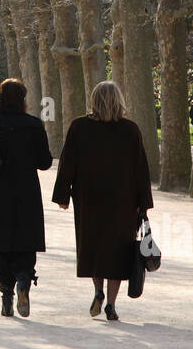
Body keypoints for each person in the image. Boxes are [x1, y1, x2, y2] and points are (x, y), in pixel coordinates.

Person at [52, 81, 153, 321]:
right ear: (119, 100)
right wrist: (143, 202)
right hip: (123, 199)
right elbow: (141, 169)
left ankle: (97, 291)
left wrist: (63, 196)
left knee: (93, 246)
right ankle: (111, 303)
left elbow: (68, 163)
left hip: (88, 197)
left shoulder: (79, 127)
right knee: (118, 250)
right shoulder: (130, 130)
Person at [0, 79, 53, 317]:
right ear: (23, 99)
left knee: (1, 242)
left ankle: (7, 295)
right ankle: (24, 279)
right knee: (26, 239)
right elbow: (45, 162)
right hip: (26, 192)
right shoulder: (34, 125)